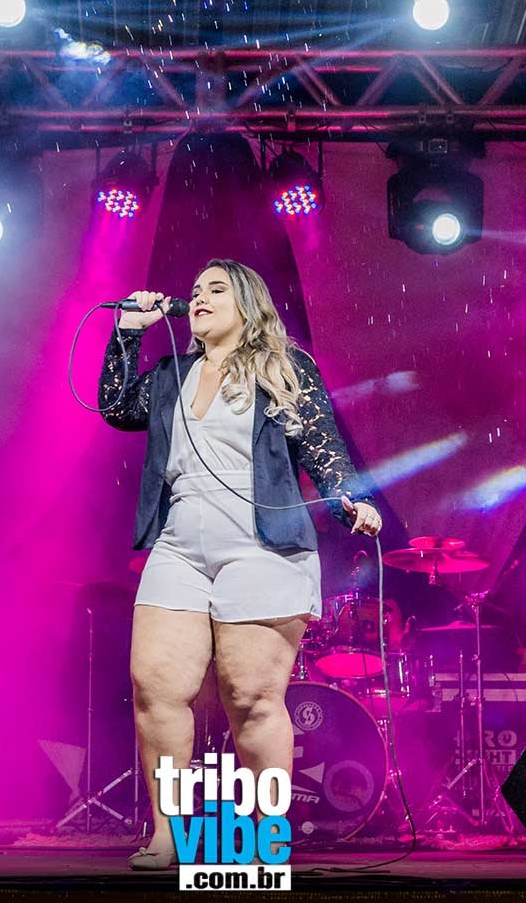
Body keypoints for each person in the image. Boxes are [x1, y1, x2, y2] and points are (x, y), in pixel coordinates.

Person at [99, 259, 381, 869]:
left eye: (216, 289)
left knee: (250, 697)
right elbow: (116, 407)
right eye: (195, 290)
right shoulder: (171, 374)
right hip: (179, 542)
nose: (199, 297)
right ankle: (168, 833)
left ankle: (263, 835)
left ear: (247, 304)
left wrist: (350, 500)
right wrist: (126, 333)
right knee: (156, 688)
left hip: (263, 544)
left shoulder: (283, 366)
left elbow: (322, 443)